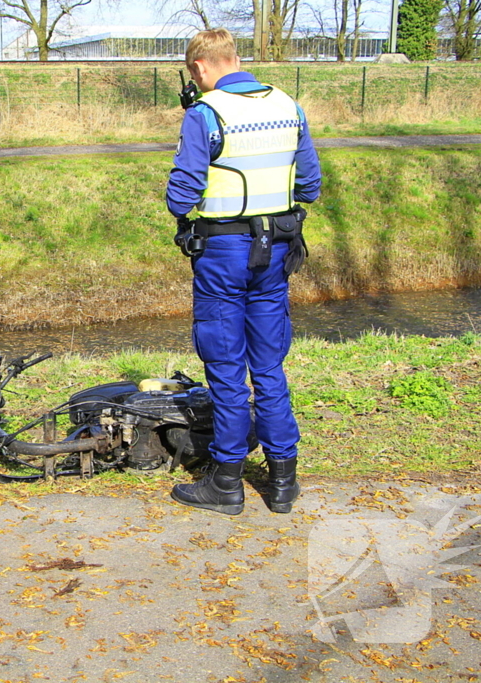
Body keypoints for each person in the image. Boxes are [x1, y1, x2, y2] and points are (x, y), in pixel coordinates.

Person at [166, 28, 321, 516]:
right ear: (235, 58)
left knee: (227, 367)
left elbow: (180, 197)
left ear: (200, 68)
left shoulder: (206, 114)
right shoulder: (287, 105)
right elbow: (310, 184)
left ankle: (227, 482)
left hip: (223, 254)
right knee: (269, 365)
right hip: (275, 251)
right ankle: (283, 482)